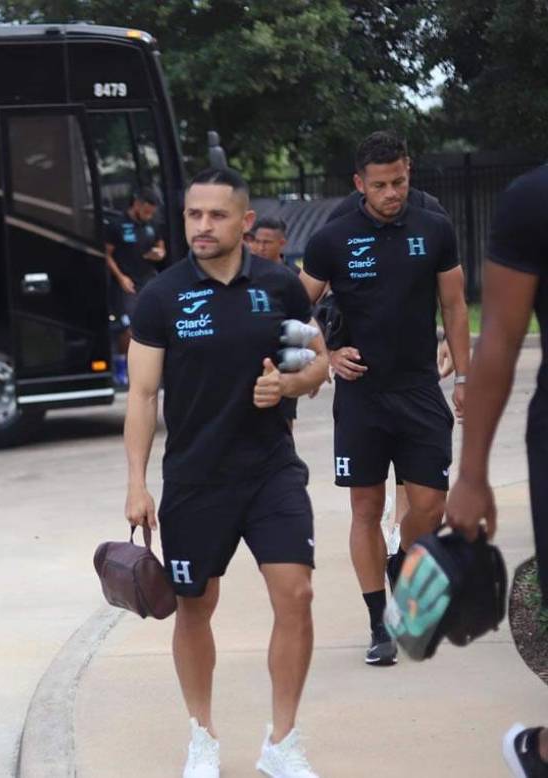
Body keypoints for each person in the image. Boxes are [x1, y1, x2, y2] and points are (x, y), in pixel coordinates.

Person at [125, 168, 328, 778]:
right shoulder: (161, 298)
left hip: (271, 470)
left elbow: (317, 367)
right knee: (195, 608)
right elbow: (141, 394)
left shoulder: (279, 288)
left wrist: (287, 383)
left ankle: (282, 743)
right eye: (194, 215)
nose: (203, 226)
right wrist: (137, 482)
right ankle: (201, 737)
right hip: (195, 479)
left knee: (297, 594)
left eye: (216, 216)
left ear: (244, 222)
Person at [300, 130, 471, 667]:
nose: (392, 192)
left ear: (408, 172)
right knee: (366, 506)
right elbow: (292, 307)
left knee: (429, 505)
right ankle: (380, 622)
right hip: (362, 396)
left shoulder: (435, 229)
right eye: (380, 185)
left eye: (399, 181)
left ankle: (402, 563)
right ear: (359, 184)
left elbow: (457, 306)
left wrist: (465, 375)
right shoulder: (333, 239)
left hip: (419, 388)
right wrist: (326, 356)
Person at [444, 164, 548, 778]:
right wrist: (472, 473)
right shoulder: (534, 200)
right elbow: (498, 343)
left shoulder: (530, 197)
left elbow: (501, 343)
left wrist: (475, 474)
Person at [106, 186, 167, 385]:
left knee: (153, 322)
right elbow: (106, 254)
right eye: (147, 211)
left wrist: (158, 254)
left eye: (152, 213)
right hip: (127, 281)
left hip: (148, 278)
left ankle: (152, 367)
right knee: (128, 327)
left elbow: (161, 247)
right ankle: (122, 367)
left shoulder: (152, 225)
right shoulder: (117, 225)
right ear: (137, 205)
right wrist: (121, 277)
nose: (149, 216)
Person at [250, 216, 302, 428]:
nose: (260, 247)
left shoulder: (295, 277)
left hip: (285, 358)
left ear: (282, 243)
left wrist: (311, 365)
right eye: (257, 241)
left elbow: (306, 320)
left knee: (284, 422)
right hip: (251, 356)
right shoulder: (243, 274)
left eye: (267, 242)